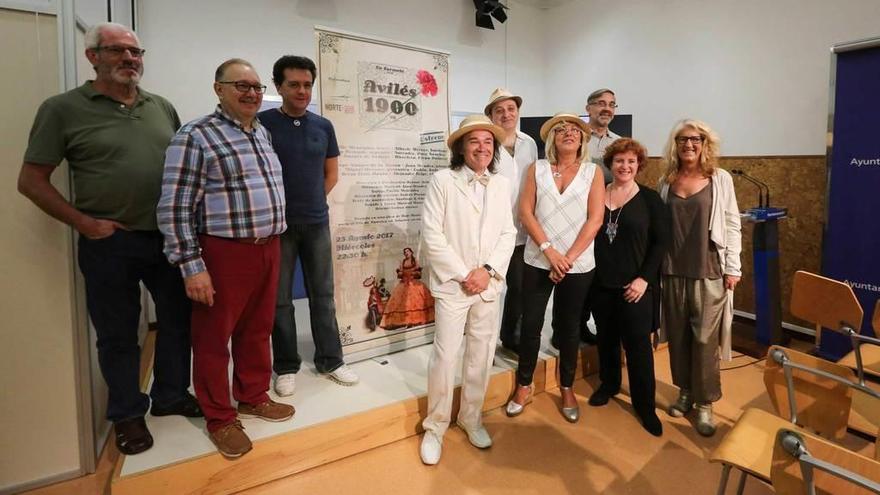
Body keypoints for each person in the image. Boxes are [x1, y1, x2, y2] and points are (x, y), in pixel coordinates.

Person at [17, 22, 199, 456]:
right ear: (92, 56)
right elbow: (31, 180)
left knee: (178, 320)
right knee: (117, 334)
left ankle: (171, 395)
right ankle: (127, 414)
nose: (129, 60)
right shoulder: (62, 109)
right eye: (118, 51)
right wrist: (83, 222)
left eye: (136, 53)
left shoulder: (161, 107)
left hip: (167, 238)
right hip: (109, 242)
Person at [158, 58, 293, 458]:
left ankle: (252, 394)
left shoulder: (262, 133)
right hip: (223, 251)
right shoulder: (195, 135)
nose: (251, 93)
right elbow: (174, 206)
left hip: (268, 247)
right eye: (241, 85)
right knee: (214, 338)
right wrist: (190, 265)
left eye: (256, 86)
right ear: (219, 89)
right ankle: (219, 416)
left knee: (257, 328)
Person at [419, 115, 517, 465]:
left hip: (488, 285)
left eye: (488, 142)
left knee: (481, 352)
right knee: (445, 356)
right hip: (454, 285)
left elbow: (508, 233)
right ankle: (435, 425)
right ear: (461, 147)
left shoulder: (502, 184)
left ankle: (471, 417)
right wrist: (465, 274)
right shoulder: (442, 181)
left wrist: (487, 272)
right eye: (474, 141)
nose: (482, 148)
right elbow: (432, 235)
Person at [258, 55, 358, 397]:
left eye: (307, 85)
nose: (302, 91)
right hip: (277, 227)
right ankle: (285, 365)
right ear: (278, 86)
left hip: (316, 222)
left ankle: (331, 359)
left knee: (324, 295)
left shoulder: (323, 126)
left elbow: (331, 174)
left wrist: (313, 200)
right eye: (294, 85)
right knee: (279, 300)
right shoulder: (262, 124)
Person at [506, 113, 604, 423]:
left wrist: (568, 258)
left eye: (575, 130)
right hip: (538, 259)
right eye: (561, 129)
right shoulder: (537, 169)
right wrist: (550, 251)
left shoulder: (593, 172)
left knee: (569, 327)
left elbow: (595, 219)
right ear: (551, 139)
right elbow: (525, 211)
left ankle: (566, 386)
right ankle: (524, 384)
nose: (568, 133)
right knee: (532, 325)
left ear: (583, 139)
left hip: (578, 264)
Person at [658, 119, 742, 437]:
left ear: (705, 144)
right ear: (674, 145)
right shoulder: (667, 181)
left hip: (708, 271)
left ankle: (705, 404)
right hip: (672, 271)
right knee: (678, 338)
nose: (688, 145)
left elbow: (732, 224)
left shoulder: (719, 179)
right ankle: (685, 392)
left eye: (695, 139)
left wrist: (733, 267)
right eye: (682, 140)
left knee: (705, 341)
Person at [589, 138, 670, 437]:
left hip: (635, 286)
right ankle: (609, 384)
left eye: (631, 162)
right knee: (606, 340)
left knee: (637, 347)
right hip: (601, 284)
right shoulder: (595, 196)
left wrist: (644, 279)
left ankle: (644, 405)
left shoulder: (650, 200)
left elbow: (661, 243)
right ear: (610, 164)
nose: (625, 166)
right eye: (620, 161)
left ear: (638, 166)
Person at [484, 88, 538, 354]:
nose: (506, 114)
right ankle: (484, 344)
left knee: (518, 288)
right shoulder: (486, 144)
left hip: (522, 230)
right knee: (489, 291)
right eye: (499, 110)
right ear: (491, 116)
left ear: (517, 111)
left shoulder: (529, 143)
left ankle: (510, 336)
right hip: (491, 231)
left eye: (511, 109)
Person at [380, 247, 435, 329]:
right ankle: (405, 321)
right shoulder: (403, 262)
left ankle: (417, 319)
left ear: (411, 252)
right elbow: (400, 273)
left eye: (408, 251)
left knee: (416, 300)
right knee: (401, 300)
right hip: (404, 283)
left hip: (413, 282)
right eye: (405, 252)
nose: (406, 253)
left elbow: (419, 274)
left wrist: (414, 273)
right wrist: (401, 273)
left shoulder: (415, 261)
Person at [585, 88, 621, 184]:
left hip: (611, 196)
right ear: (588, 109)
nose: (607, 109)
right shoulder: (575, 139)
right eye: (601, 103)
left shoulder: (619, 142)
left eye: (611, 105)